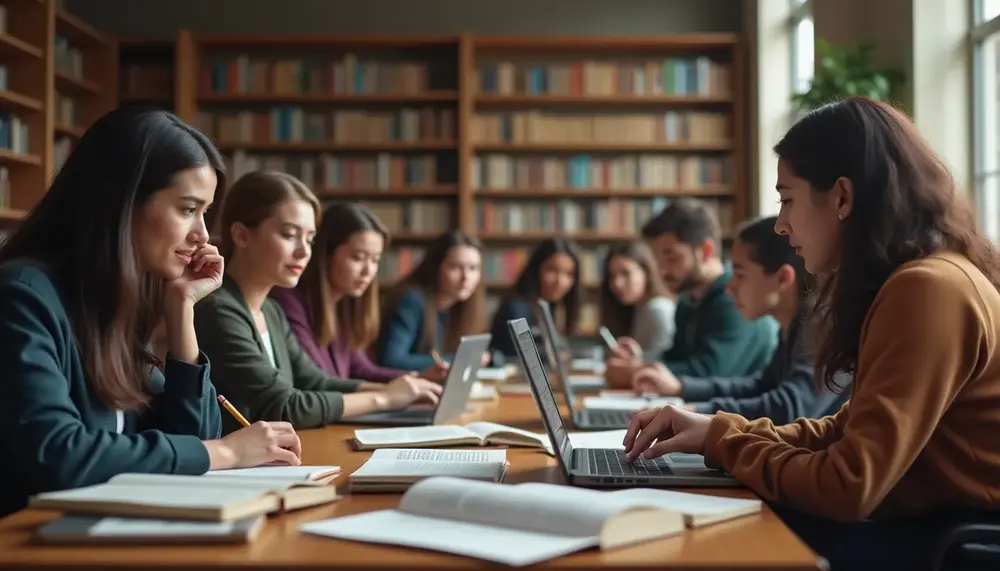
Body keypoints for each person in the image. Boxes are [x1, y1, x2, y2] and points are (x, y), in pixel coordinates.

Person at [623, 97, 1000, 569]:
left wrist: (725, 443)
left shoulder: (928, 290)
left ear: (841, 197)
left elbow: (848, 484)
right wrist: (716, 430)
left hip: (952, 544)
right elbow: (843, 431)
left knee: (701, 540)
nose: (782, 225)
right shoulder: (919, 280)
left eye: (787, 199)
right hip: (929, 527)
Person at [0, 109, 302, 518]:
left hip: (96, 529)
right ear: (122, 203)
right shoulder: (22, 296)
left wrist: (182, 310)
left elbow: (190, 441)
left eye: (205, 212)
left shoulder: (108, 302)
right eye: (188, 209)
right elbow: (60, 454)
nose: (202, 235)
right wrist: (228, 452)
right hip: (27, 538)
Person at [194, 171, 441, 434]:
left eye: (310, 239)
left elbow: (315, 382)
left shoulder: (270, 310)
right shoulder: (218, 309)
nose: (304, 251)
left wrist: (402, 391)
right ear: (242, 236)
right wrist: (385, 398)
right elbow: (284, 406)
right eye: (289, 235)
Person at [631, 215, 848, 423]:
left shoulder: (825, 324)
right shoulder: (794, 324)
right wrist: (682, 389)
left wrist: (697, 412)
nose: (730, 287)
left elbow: (789, 408)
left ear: (783, 278)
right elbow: (762, 386)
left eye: (740, 275)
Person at [604, 199, 778, 387]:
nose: (661, 269)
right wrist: (640, 360)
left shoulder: (734, 298)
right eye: (657, 259)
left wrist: (637, 370)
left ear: (705, 251)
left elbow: (708, 372)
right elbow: (675, 358)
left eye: (672, 257)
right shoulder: (687, 300)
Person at [271, 202, 444, 382]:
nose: (368, 271)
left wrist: (419, 377)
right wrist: (394, 392)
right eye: (357, 258)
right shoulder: (288, 302)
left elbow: (362, 370)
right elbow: (320, 383)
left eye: (375, 260)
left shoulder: (344, 306)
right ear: (325, 255)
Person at [376, 230, 486, 371]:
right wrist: (461, 359)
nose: (466, 277)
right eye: (455, 267)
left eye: (473, 268)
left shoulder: (460, 307)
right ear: (435, 267)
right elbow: (391, 360)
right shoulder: (410, 301)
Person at [488, 237, 581, 360]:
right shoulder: (516, 308)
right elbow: (520, 355)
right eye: (552, 270)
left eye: (569, 274)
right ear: (536, 269)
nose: (560, 281)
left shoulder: (549, 306)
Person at [598, 240, 676, 359]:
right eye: (612, 276)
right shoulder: (637, 309)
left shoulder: (658, 309)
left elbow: (664, 361)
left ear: (646, 271)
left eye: (626, 273)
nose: (617, 283)